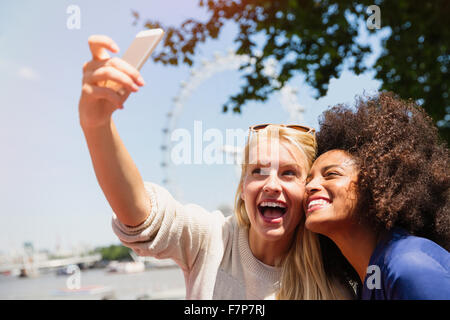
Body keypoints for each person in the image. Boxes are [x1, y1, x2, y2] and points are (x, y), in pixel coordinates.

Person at [78, 35, 352, 299]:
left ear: (309, 190)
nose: (270, 184)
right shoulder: (211, 240)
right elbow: (139, 215)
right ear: (242, 187)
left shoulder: (331, 290)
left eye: (288, 173)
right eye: (258, 171)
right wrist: (97, 125)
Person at [303, 92, 450, 299]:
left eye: (332, 174)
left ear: (375, 183)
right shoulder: (372, 279)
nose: (310, 187)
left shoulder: (408, 266)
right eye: (308, 180)